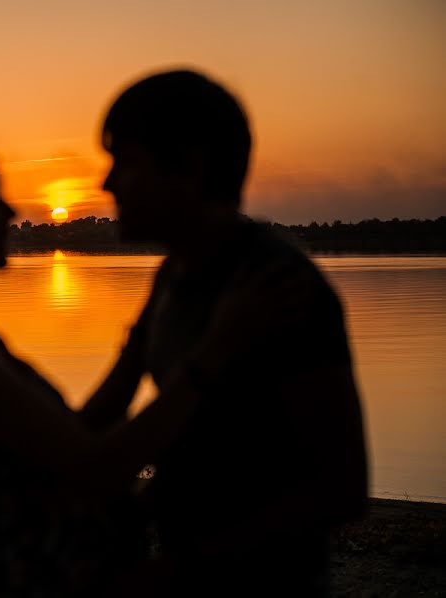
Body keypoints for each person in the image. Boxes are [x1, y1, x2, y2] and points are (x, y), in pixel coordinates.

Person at [0, 131, 310, 597]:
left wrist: (141, 336)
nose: (9, 212)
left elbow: (73, 436)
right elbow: (97, 468)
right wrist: (216, 350)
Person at [83, 69, 368, 596]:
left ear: (190, 167)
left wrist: (176, 568)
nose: (108, 183)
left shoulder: (281, 288)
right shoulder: (172, 274)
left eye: (128, 162)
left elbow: (342, 489)